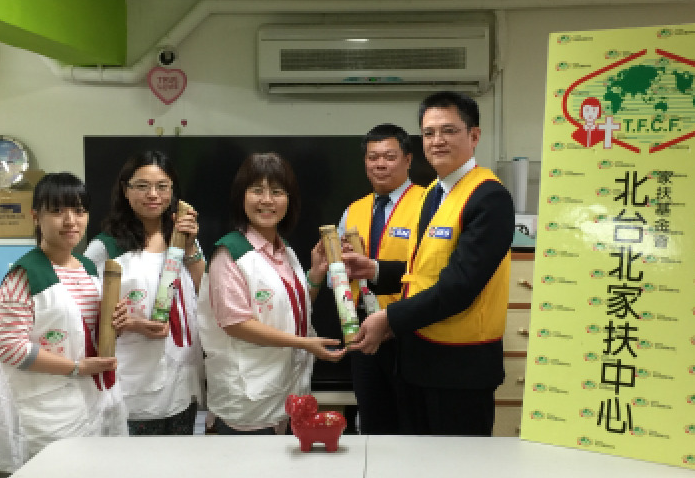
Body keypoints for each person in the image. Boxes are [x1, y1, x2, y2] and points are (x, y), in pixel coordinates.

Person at [343, 91, 515, 436]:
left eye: (448, 130)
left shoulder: (489, 197)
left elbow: (459, 286)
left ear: (474, 136)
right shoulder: (434, 193)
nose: (437, 141)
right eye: (429, 132)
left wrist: (390, 318)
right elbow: (423, 272)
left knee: (457, 462)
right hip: (418, 363)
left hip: (461, 370)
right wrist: (375, 270)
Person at [197, 152, 346, 435]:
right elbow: (236, 323)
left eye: (277, 192)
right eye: (257, 190)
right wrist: (304, 344)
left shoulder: (284, 250)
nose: (267, 200)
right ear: (241, 197)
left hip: (287, 395)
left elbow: (290, 310)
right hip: (246, 403)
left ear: (289, 201)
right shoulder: (229, 253)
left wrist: (315, 276)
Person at [0, 172, 128, 472]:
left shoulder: (88, 268)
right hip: (46, 408)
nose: (70, 221)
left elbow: (82, 330)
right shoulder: (24, 274)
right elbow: (8, 347)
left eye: (79, 211)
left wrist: (115, 323)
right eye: (57, 211)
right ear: (35, 217)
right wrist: (76, 367)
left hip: (92, 397)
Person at [83, 150, 205, 435]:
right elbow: (84, 314)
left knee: (178, 457)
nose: (153, 194)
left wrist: (190, 247)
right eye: (142, 186)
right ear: (125, 190)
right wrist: (131, 323)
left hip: (182, 380)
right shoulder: (105, 247)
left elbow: (207, 294)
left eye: (162, 186)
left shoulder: (182, 238)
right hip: (133, 382)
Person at [336, 123, 424, 434]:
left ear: (408, 159)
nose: (380, 164)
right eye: (373, 157)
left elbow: (432, 271)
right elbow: (338, 275)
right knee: (373, 425)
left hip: (409, 329)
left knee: (413, 424)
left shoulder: (428, 204)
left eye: (389, 156)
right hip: (363, 332)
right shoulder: (353, 210)